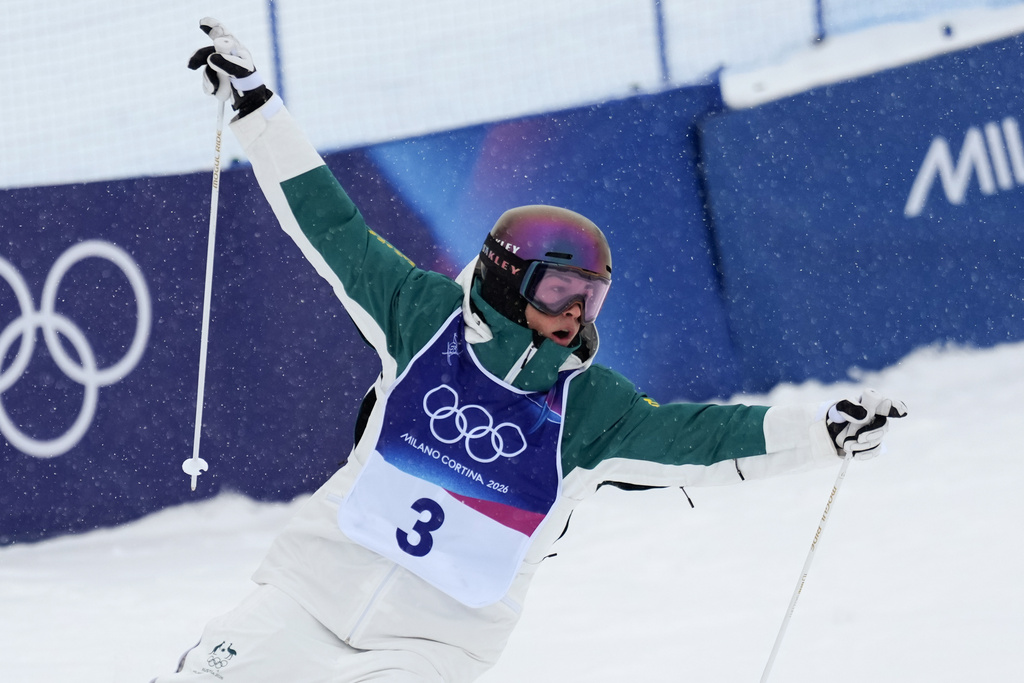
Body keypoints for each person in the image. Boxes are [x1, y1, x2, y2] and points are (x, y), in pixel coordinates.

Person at [159, 18, 907, 682]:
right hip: (306, 592)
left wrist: (822, 430)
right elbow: (331, 226)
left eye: (592, 298)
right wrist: (258, 107)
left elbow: (706, 437)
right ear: (509, 279)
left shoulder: (591, 408)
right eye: (560, 292)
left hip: (428, 649)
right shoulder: (422, 320)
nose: (576, 315)